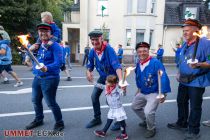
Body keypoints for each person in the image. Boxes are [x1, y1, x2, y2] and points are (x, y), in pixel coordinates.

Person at [167, 19, 210, 140]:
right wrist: (179, 72)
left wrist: (199, 64)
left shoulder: (206, 43)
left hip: (196, 81)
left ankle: (194, 130)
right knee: (181, 101)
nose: (184, 33)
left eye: (187, 30)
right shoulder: (186, 43)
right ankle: (182, 122)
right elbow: (182, 60)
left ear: (196, 30)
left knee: (195, 106)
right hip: (183, 80)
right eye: (184, 31)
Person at [25, 23, 64, 132]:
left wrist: (47, 67)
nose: (43, 33)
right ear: (38, 33)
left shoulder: (56, 46)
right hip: (37, 77)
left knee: (50, 102)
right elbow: (36, 59)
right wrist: (28, 59)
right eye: (41, 31)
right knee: (35, 100)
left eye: (46, 31)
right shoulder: (38, 46)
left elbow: (59, 63)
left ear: (51, 34)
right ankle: (39, 119)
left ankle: (59, 123)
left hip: (50, 78)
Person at [86, 30, 125, 130]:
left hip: (112, 78)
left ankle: (119, 121)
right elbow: (90, 64)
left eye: (96, 40)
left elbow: (117, 66)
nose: (94, 42)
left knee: (112, 101)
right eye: (92, 40)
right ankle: (97, 118)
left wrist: (121, 81)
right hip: (103, 77)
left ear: (101, 39)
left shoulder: (109, 50)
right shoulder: (92, 51)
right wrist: (89, 72)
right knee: (94, 96)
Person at [131, 42, 171, 138]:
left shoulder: (155, 62)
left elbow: (163, 77)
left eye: (144, 51)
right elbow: (138, 77)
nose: (142, 53)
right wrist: (139, 89)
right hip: (143, 91)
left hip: (154, 92)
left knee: (148, 111)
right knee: (134, 106)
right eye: (139, 51)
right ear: (137, 52)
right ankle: (147, 120)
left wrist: (164, 94)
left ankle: (151, 128)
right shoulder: (138, 63)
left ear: (148, 51)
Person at [94, 75, 128, 140]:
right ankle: (103, 131)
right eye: (106, 81)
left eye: (108, 82)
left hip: (118, 108)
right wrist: (92, 81)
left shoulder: (117, 88)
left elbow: (123, 94)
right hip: (112, 108)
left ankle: (124, 134)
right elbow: (99, 85)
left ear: (114, 83)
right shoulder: (106, 87)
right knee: (109, 120)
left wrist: (124, 89)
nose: (106, 82)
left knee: (121, 122)